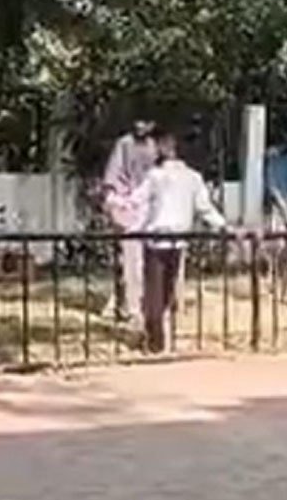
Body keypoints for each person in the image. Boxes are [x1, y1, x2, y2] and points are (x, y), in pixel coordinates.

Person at [130, 129, 245, 353]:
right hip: (179, 239)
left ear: (163, 149)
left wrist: (118, 204)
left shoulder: (155, 176)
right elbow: (205, 209)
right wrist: (224, 226)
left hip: (156, 238)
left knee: (154, 290)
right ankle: (156, 334)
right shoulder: (193, 178)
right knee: (166, 289)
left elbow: (137, 200)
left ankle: (154, 339)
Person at [103, 118, 159, 326]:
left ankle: (141, 305)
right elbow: (113, 179)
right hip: (127, 208)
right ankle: (130, 308)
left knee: (147, 262)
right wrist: (117, 205)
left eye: (145, 122)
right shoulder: (124, 144)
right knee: (129, 262)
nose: (140, 126)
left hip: (149, 210)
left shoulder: (154, 146)